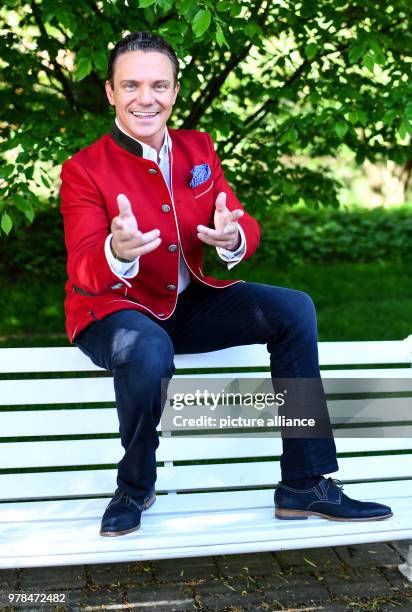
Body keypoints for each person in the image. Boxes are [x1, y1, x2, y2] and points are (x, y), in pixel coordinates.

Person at [60, 31, 392, 537]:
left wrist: (234, 235)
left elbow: (239, 220)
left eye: (158, 85)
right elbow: (84, 267)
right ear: (109, 92)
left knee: (293, 308)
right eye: (131, 85)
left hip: (186, 302)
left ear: (174, 91)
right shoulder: (84, 169)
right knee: (145, 349)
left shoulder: (198, 147)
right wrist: (115, 252)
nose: (145, 98)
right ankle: (133, 487)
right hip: (113, 310)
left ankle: (305, 482)